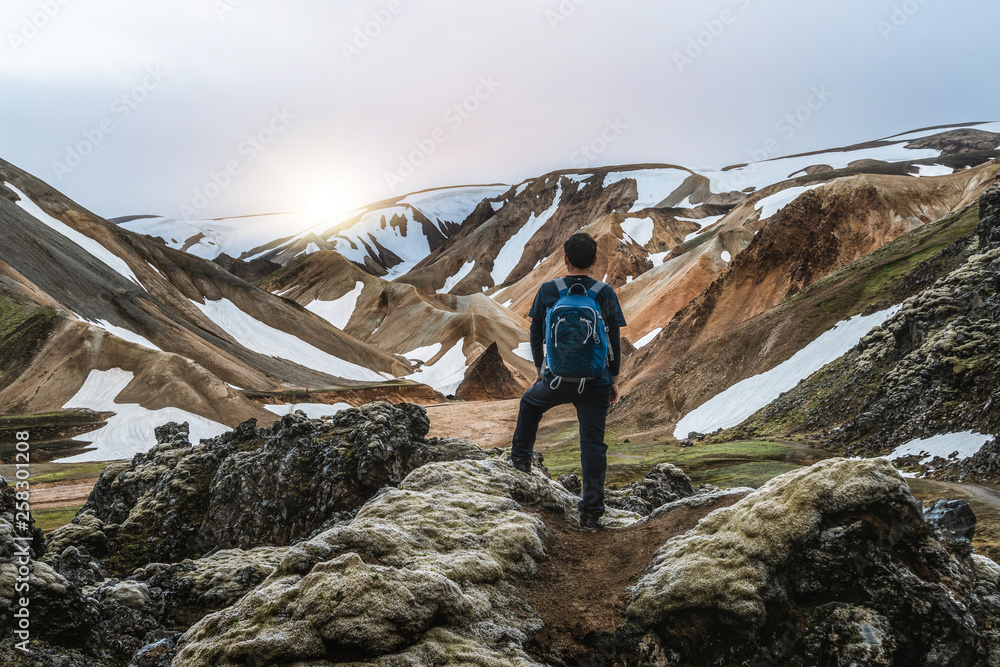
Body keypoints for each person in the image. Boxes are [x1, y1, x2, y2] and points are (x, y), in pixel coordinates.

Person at [510, 232, 626, 532]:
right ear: (595, 260)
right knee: (592, 444)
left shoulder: (550, 290)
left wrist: (540, 369)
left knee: (529, 403)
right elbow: (613, 338)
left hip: (556, 378)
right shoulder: (604, 292)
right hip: (596, 380)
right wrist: (613, 378)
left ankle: (520, 466)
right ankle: (590, 515)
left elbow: (535, 334)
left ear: (565, 259)